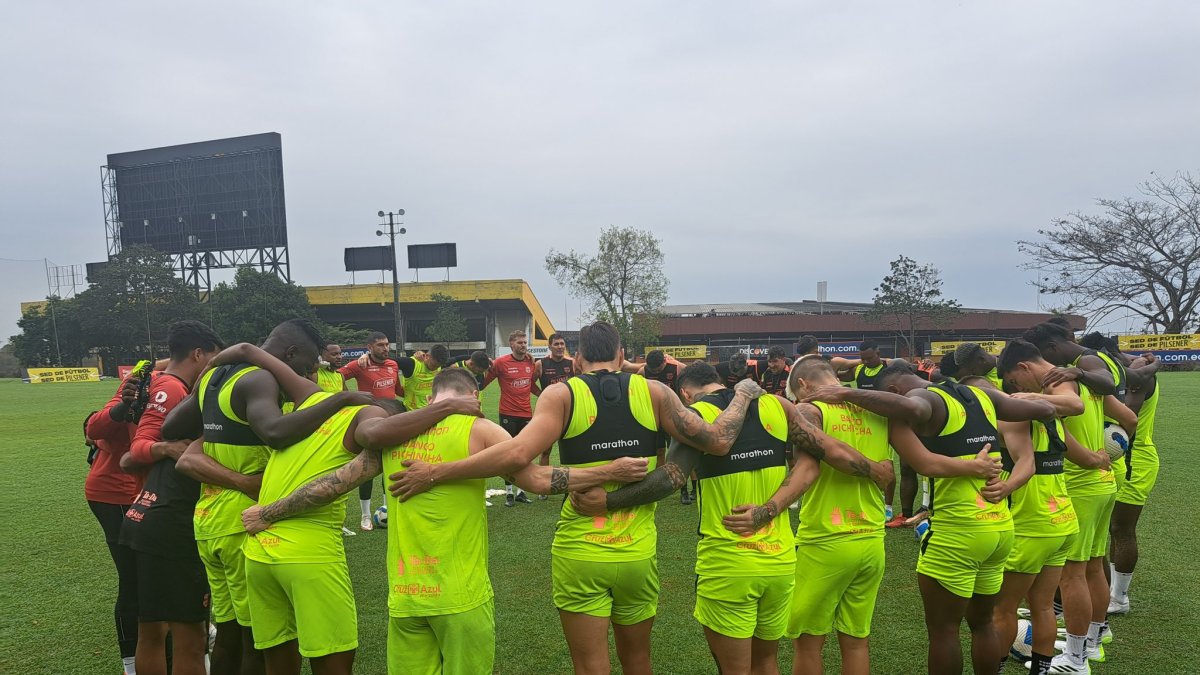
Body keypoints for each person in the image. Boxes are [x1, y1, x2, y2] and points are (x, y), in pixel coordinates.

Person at [389, 321, 770, 675]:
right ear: (622, 356)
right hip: (637, 550)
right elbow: (718, 441)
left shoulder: (560, 394)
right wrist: (742, 395)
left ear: (578, 359)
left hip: (580, 551)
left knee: (591, 666)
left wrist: (435, 471)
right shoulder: (655, 392)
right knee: (638, 660)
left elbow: (525, 466)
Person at [240, 367, 647, 674]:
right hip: (461, 598)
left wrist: (268, 512)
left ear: (432, 396)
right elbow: (538, 480)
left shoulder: (394, 433)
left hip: (406, 596)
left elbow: (333, 484)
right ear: (473, 395)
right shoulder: (481, 428)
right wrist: (607, 472)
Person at [570, 359, 891, 675]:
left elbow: (672, 477)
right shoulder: (777, 405)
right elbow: (817, 461)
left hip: (728, 563)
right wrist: (769, 510)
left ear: (684, 393)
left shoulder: (697, 416)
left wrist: (608, 501)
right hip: (779, 563)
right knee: (766, 664)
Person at [166, 320, 376, 675]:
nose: (306, 375)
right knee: (256, 644)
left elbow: (171, 427)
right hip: (244, 522)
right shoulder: (259, 378)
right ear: (290, 354)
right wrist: (339, 398)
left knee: (230, 634)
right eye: (306, 366)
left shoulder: (220, 377)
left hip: (209, 519)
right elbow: (275, 432)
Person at [794, 359, 1027, 675]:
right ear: (834, 377)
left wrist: (769, 508)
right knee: (856, 641)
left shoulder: (811, 411)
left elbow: (812, 466)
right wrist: (972, 467)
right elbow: (924, 462)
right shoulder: (882, 413)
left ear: (804, 386)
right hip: (871, 542)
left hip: (825, 538)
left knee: (809, 642)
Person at [845, 361, 1057, 675]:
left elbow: (911, 409)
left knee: (944, 632)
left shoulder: (927, 399)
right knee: (983, 624)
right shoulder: (980, 395)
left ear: (892, 391)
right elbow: (1044, 410)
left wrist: (841, 392)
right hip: (999, 527)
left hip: (957, 532)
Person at [993, 340, 1113, 675]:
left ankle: (1002, 667)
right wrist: (1099, 459)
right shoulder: (1053, 414)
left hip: (1033, 521)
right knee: (1043, 605)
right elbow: (1081, 450)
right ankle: (1048, 667)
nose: (1018, 389)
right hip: (1062, 515)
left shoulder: (1031, 403)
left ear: (1024, 369)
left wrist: (1003, 484)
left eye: (1016, 383)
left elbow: (1026, 462)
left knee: (1001, 610)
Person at [117, 321, 226, 675]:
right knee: (191, 638)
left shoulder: (171, 384)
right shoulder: (176, 390)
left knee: (151, 630)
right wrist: (165, 447)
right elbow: (131, 454)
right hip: (171, 523)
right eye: (214, 359)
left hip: (143, 516)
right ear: (199, 354)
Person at [85, 371, 149, 675]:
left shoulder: (166, 383)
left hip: (138, 492)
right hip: (115, 495)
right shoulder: (133, 388)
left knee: (152, 572)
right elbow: (93, 426)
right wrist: (123, 407)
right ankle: (131, 663)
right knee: (133, 578)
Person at [339, 332, 403, 529]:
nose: (385, 349)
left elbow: (399, 389)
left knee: (389, 466)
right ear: (369, 347)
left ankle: (386, 508)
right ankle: (365, 516)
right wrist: (348, 396)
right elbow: (336, 375)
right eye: (380, 345)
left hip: (391, 421)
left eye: (386, 344)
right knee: (365, 467)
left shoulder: (393, 365)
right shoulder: (360, 364)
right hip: (368, 424)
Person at [483, 329, 538, 506]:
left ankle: (521, 492)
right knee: (508, 453)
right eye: (520, 342)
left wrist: (544, 394)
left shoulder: (531, 363)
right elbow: (483, 382)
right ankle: (509, 493)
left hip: (526, 413)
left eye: (525, 342)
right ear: (511, 344)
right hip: (507, 413)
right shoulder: (501, 363)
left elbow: (530, 385)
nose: (523, 345)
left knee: (525, 452)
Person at [635, 349, 690, 501]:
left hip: (674, 417)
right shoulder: (643, 372)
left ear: (664, 362)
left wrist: (685, 409)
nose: (656, 373)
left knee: (678, 451)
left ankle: (684, 490)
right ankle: (660, 486)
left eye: (659, 370)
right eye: (654, 371)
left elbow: (689, 387)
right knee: (659, 451)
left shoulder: (678, 368)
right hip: (655, 419)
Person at [533, 333, 576, 487]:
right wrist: (541, 394)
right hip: (549, 412)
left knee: (573, 449)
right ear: (549, 346)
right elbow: (530, 383)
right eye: (556, 344)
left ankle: (574, 483)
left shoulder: (572, 363)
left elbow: (582, 382)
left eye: (562, 344)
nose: (560, 347)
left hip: (570, 411)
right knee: (545, 450)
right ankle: (544, 485)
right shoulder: (541, 364)